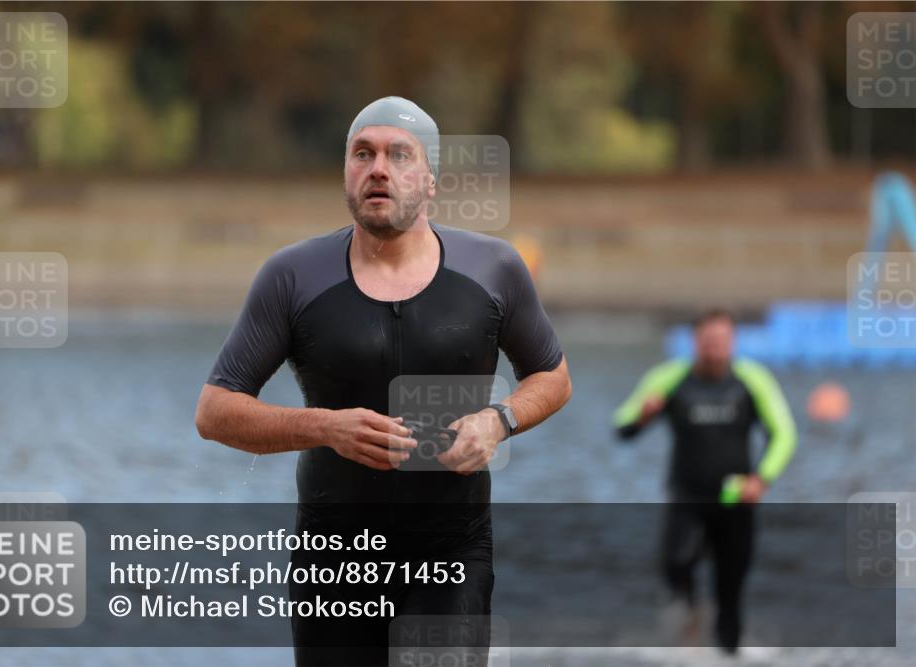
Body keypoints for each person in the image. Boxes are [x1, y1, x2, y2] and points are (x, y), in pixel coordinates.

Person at [195, 96, 572, 666]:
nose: (378, 168)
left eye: (400, 155)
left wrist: (500, 420)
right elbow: (215, 411)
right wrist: (325, 427)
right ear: (345, 172)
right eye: (362, 153)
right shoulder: (293, 277)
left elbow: (553, 376)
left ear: (430, 180)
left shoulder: (492, 268)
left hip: (450, 557)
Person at [612, 308, 796, 655]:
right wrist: (643, 416)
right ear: (695, 342)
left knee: (731, 589)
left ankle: (729, 654)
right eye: (708, 340)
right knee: (676, 567)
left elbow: (784, 434)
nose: (715, 348)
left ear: (733, 342)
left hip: (735, 500)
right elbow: (621, 426)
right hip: (687, 497)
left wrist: (762, 478)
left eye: (723, 340)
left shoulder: (752, 380)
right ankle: (691, 633)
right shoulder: (670, 378)